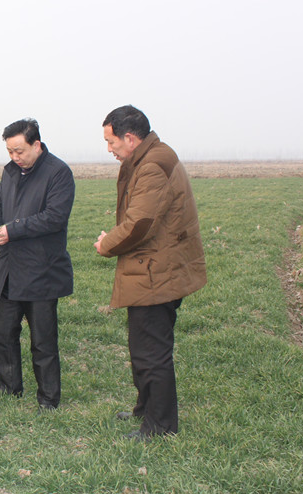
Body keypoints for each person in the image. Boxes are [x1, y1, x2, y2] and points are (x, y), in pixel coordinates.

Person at [94, 105, 206, 440]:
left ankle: (159, 426)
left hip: (156, 273)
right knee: (142, 346)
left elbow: (139, 224)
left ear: (130, 138)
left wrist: (106, 243)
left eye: (111, 142)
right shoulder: (150, 158)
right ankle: (145, 409)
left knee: (151, 352)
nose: (109, 149)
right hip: (155, 269)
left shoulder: (153, 165)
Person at [0, 118, 75, 410]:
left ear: (37, 145)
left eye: (19, 151)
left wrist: (13, 230)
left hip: (42, 271)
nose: (14, 157)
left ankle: (48, 398)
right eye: (10, 151)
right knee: (2, 335)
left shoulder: (58, 173)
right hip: (9, 269)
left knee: (43, 341)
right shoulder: (10, 172)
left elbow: (54, 217)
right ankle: (9, 388)